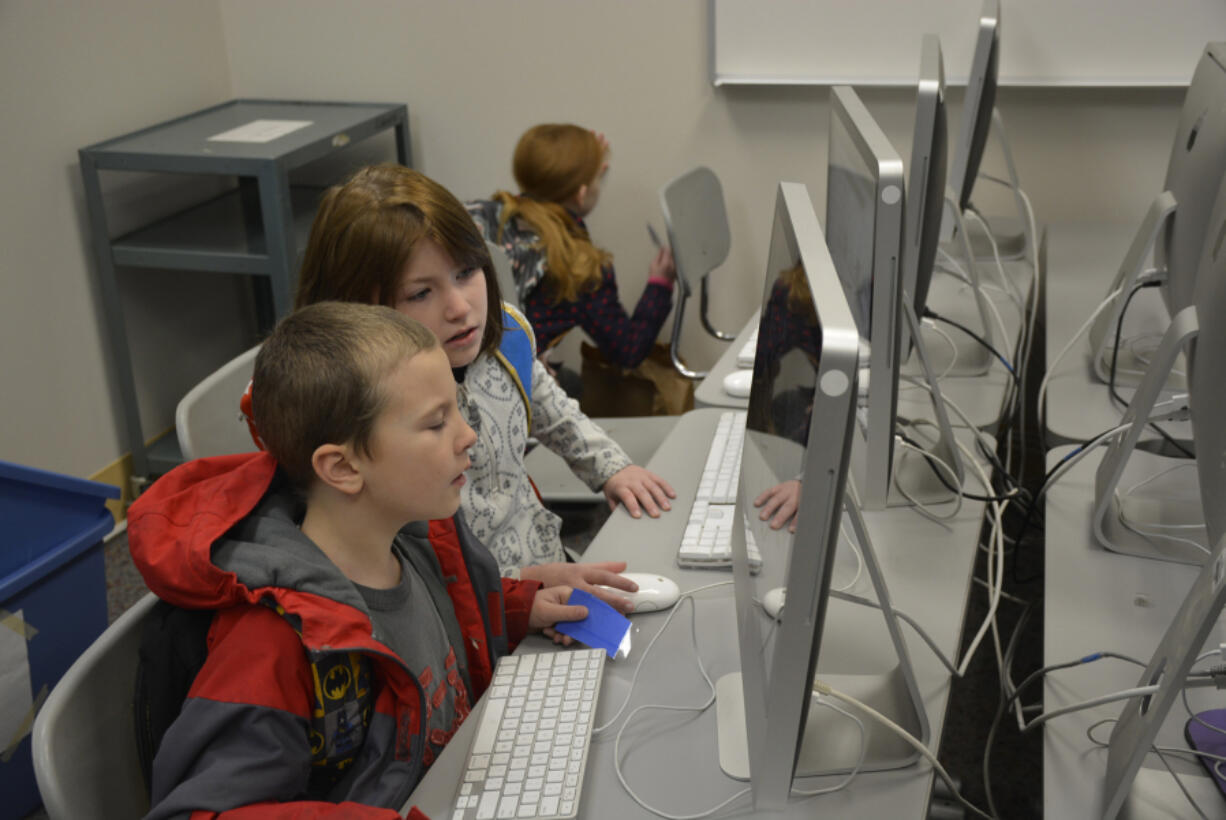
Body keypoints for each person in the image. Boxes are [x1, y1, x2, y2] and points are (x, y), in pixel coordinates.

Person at [130, 302, 589, 817]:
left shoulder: (419, 540)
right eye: (437, 423)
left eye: (457, 409)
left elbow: (441, 625)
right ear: (343, 467)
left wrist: (522, 606)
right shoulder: (274, 640)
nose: (468, 435)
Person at [292, 163, 675, 594]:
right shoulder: (365, 415)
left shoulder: (504, 336)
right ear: (357, 307)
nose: (460, 307)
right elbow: (395, 569)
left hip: (544, 565)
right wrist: (515, 593)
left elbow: (555, 412)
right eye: (421, 293)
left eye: (466, 272)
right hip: (469, 611)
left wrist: (611, 469)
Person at [466, 124, 676, 388]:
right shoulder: (575, 263)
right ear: (581, 193)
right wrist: (660, 284)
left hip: (463, 377)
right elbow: (628, 350)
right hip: (514, 388)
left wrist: (583, 166)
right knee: (573, 386)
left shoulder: (483, 216)